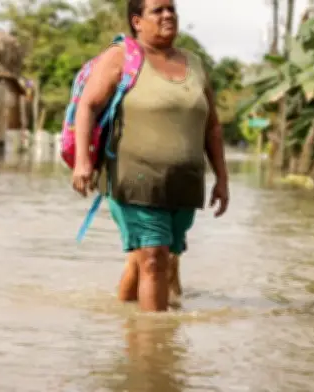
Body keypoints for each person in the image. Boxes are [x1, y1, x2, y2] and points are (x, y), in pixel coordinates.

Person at [71, 0, 229, 312]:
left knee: (158, 258)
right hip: (135, 179)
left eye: (172, 9)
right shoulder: (122, 58)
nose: (168, 14)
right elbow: (87, 106)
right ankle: (152, 352)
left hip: (184, 185)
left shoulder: (194, 63)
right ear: (137, 21)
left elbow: (212, 127)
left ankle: (125, 315)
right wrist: (82, 161)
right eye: (158, 10)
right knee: (155, 260)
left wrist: (222, 178)